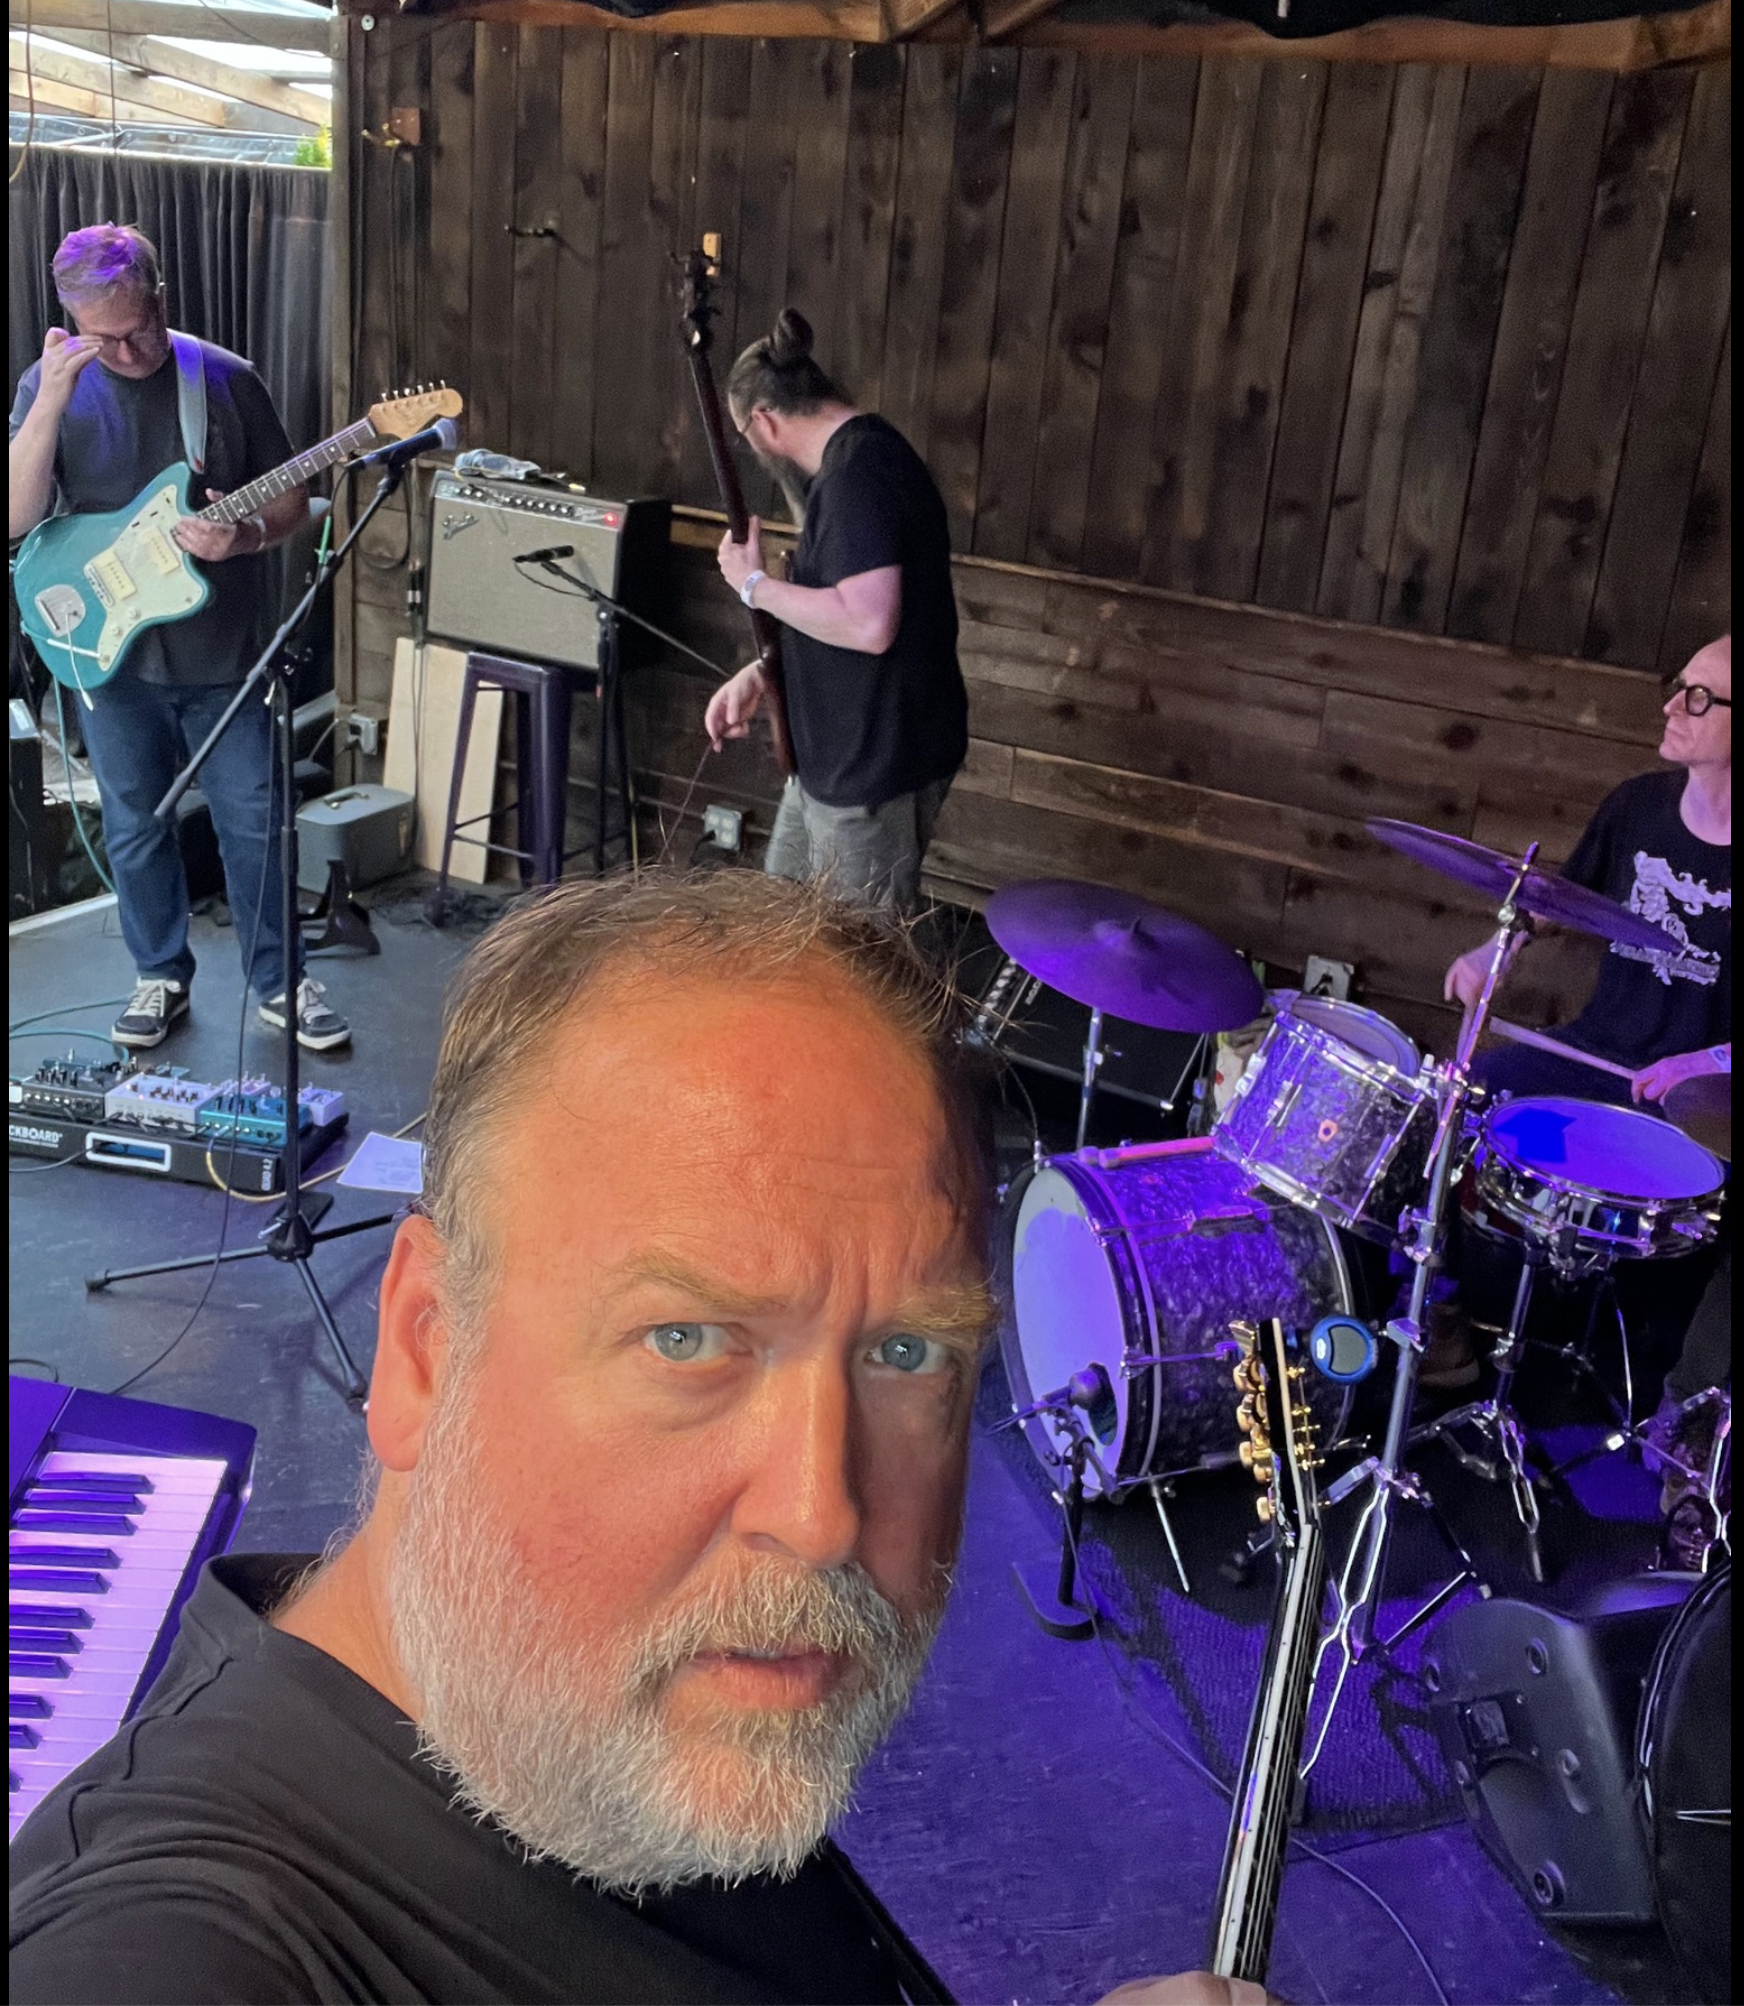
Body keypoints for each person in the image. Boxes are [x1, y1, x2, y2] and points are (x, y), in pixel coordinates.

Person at [9, 874, 1256, 2006]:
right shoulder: (195, 1937)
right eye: (688, 1339)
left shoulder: (586, 1729)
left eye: (905, 1352)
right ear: (424, 1347)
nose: (821, 1512)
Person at [8, 223, 349, 1053]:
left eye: (140, 329)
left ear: (163, 297)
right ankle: (158, 974)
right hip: (108, 657)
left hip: (226, 659)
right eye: (103, 338)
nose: (126, 353)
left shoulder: (223, 379)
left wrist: (242, 540)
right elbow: (17, 519)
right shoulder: (49, 384)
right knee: (133, 822)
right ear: (71, 323)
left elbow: (293, 504)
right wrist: (50, 400)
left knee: (255, 819)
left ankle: (281, 982)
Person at [1433, 637, 1730, 1425]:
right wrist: (1493, 947)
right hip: (1599, 1053)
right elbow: (1557, 900)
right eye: (1680, 685)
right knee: (1454, 1099)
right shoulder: (1637, 806)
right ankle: (1441, 1318)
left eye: (1700, 697)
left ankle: (1690, 1421)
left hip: (1709, 1100)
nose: (1673, 706)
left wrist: (1709, 1057)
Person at [703, 309, 968, 913]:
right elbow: (833, 609)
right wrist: (762, 674)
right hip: (832, 760)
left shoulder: (859, 476)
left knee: (859, 963)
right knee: (782, 923)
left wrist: (754, 586)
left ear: (764, 422)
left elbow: (870, 625)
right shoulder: (854, 466)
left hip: (871, 770)